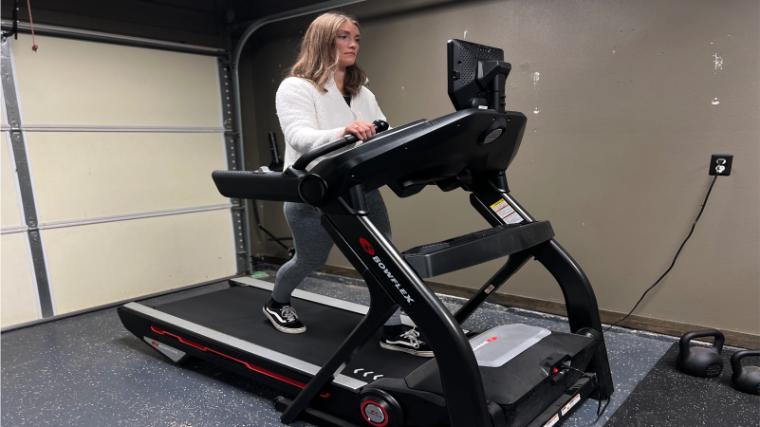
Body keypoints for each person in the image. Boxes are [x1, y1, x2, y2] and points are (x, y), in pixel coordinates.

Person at [262, 12, 432, 357]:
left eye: (356, 38)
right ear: (322, 40)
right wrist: (344, 131)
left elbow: (381, 131)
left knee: (384, 258)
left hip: (360, 188)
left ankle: (392, 327)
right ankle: (277, 301)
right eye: (343, 36)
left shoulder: (362, 93)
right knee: (309, 259)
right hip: (314, 191)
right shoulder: (296, 87)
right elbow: (299, 136)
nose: (352, 43)